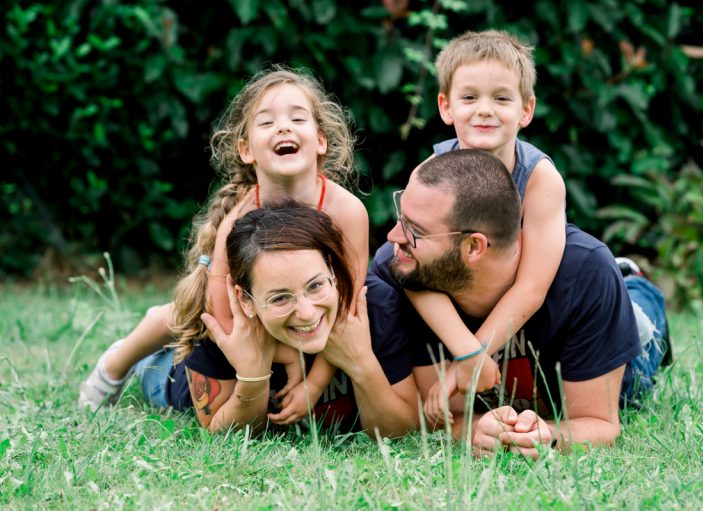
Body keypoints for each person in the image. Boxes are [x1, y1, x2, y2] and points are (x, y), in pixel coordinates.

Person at [79, 67, 369, 426]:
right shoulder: (238, 221)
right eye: (266, 123)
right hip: (237, 330)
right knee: (176, 324)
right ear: (246, 149)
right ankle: (121, 364)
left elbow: (349, 306)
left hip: (292, 320)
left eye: (298, 118)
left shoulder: (347, 212)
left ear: (321, 139)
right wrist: (290, 359)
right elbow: (224, 318)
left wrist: (315, 383)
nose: (283, 127)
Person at [371, 149, 670, 458]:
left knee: (642, 321)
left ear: (474, 246)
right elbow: (439, 418)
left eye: (415, 231)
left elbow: (601, 424)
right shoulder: (404, 270)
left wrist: (550, 436)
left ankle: (632, 282)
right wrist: (475, 431)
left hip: (626, 350)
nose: (394, 237)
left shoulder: (585, 275)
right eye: (400, 219)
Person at [125, 202, 418, 435]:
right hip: (169, 377)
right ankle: (149, 337)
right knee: (154, 361)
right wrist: (252, 377)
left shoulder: (373, 305)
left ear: (334, 271)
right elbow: (219, 434)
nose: (306, 313)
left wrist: (362, 362)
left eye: (315, 285)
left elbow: (401, 430)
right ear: (244, 301)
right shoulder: (224, 319)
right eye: (280, 298)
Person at [404, 30, 567, 408]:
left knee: (639, 342)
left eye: (501, 98)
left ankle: (638, 295)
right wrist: (466, 352)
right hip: (468, 297)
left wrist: (470, 359)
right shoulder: (428, 174)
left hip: (528, 291)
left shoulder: (541, 180)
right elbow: (410, 270)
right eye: (470, 97)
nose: (484, 109)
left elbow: (531, 288)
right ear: (446, 107)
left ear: (526, 110)